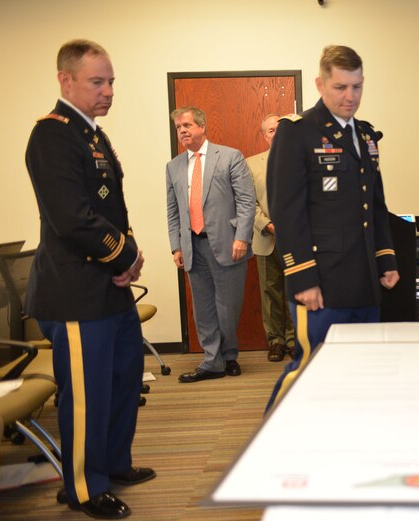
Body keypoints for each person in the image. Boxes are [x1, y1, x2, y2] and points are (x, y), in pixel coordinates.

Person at [24, 39, 155, 519]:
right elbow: (72, 219)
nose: (108, 91)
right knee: (87, 395)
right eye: (97, 82)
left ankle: (114, 463)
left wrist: (129, 255)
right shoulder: (53, 136)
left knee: (122, 381)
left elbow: (110, 210)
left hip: (108, 289)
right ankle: (83, 486)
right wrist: (125, 257)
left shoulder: (92, 135)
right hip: (76, 292)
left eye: (111, 81)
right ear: (66, 80)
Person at [265, 45, 400, 409]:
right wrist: (303, 277)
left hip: (364, 280)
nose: (350, 96)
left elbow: (377, 202)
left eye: (356, 87)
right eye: (340, 87)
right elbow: (286, 210)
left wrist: (386, 259)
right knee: (310, 368)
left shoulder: (366, 135)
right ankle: (270, 443)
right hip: (322, 282)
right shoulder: (297, 132)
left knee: (361, 372)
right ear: (320, 84)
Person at [166, 107, 256, 383]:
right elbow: (172, 210)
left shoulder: (230, 156)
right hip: (192, 246)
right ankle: (211, 361)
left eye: (187, 125)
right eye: (179, 127)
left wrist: (242, 236)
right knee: (203, 309)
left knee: (227, 307)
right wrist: (176, 246)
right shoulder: (174, 166)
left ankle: (229, 355)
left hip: (228, 244)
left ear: (202, 127)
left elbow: (246, 201)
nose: (182, 130)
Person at [246, 114, 296, 362]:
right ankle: (275, 342)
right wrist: (268, 224)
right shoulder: (251, 164)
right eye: (270, 131)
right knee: (270, 293)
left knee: (295, 291)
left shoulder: (301, 161)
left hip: (296, 239)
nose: (275, 134)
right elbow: (247, 203)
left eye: (279, 129)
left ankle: (295, 340)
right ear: (264, 135)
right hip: (266, 237)